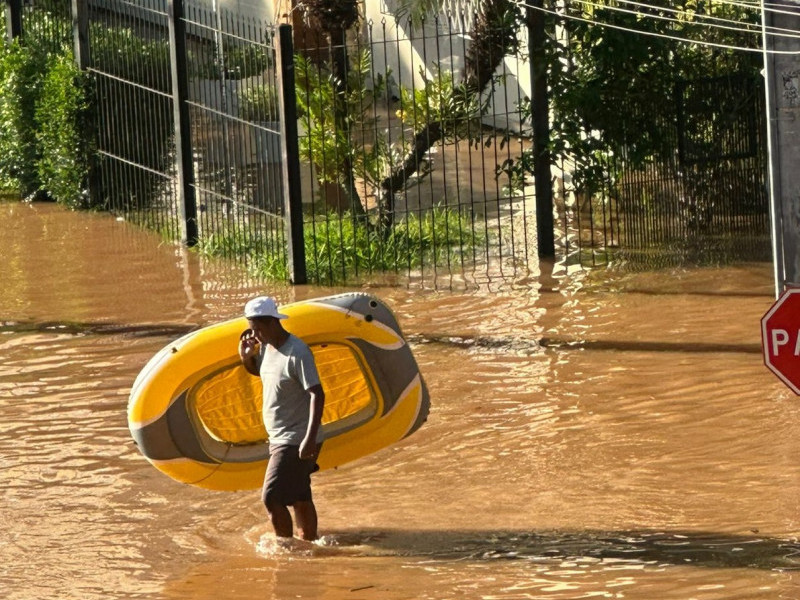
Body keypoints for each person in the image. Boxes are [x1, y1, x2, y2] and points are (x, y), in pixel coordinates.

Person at [238, 295, 325, 541]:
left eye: (256, 329)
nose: (254, 335)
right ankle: (310, 543)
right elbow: (265, 374)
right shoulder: (266, 348)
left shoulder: (297, 352)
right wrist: (247, 359)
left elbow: (317, 394)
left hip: (296, 438)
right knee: (299, 494)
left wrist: (308, 439)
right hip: (280, 437)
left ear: (272, 322)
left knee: (271, 496)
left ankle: (286, 549)